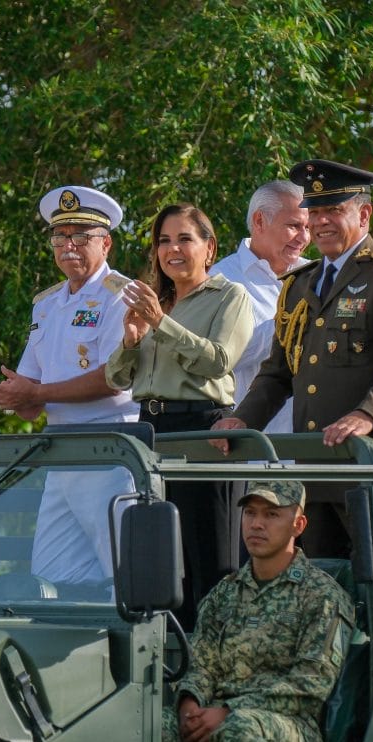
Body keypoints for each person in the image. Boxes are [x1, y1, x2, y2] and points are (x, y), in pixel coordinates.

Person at [211, 160, 373, 557]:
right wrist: (242, 421)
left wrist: (368, 414)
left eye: (335, 211)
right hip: (313, 465)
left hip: (372, 465)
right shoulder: (299, 284)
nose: (322, 223)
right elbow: (278, 373)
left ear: (363, 214)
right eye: (316, 212)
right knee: (321, 585)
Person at [0, 185, 138, 596]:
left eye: (81, 237)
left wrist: (37, 395)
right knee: (53, 571)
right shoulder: (47, 304)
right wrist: (17, 395)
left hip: (108, 450)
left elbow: (113, 378)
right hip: (60, 449)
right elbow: (33, 386)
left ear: (106, 243)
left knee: (128, 572)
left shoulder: (122, 296)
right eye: (60, 237)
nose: (68, 246)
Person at [163, 480, 355, 742]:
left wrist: (227, 711)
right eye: (250, 513)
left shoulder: (322, 596)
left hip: (291, 729)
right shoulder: (226, 592)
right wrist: (189, 705)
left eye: (271, 514)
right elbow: (201, 662)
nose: (256, 524)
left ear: (298, 524)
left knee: (243, 730)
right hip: (216, 716)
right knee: (149, 723)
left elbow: (309, 685)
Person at [106, 203, 254, 617]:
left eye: (185, 239)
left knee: (210, 555)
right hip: (151, 429)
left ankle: (215, 659)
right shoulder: (159, 302)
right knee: (161, 557)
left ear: (209, 248)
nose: (172, 249)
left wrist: (161, 323)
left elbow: (218, 361)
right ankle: (169, 657)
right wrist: (133, 339)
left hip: (204, 429)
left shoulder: (230, 295)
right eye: (163, 241)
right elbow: (117, 380)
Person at [208, 181, 311, 434]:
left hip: (313, 441)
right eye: (294, 226)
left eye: (308, 227)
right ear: (259, 221)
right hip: (253, 441)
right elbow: (219, 359)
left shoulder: (316, 275)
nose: (305, 237)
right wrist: (291, 322)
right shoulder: (219, 280)